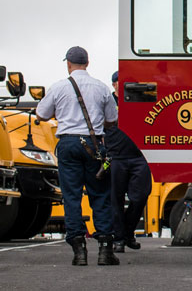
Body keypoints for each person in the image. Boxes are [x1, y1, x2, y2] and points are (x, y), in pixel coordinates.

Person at [36, 46, 119, 266]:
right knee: (100, 195)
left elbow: (41, 114)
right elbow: (112, 120)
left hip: (68, 143)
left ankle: (79, 250)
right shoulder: (101, 88)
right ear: (87, 64)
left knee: (72, 196)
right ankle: (105, 250)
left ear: (68, 64)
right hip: (94, 145)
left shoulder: (59, 87)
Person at [106, 70, 153, 253]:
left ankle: (127, 232)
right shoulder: (107, 101)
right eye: (118, 81)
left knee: (140, 196)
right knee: (115, 200)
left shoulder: (140, 98)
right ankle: (120, 239)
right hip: (115, 156)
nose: (121, 84)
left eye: (124, 81)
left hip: (140, 156)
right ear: (114, 84)